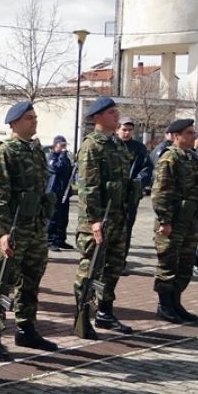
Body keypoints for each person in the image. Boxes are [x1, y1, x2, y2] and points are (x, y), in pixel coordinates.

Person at [0, 101, 57, 361]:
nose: (34, 121)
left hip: (35, 228)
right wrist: (2, 232)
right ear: (14, 124)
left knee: (31, 281)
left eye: (35, 117)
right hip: (14, 229)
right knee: (1, 283)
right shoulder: (6, 153)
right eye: (28, 118)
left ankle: (26, 329)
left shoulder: (36, 151)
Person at [73, 97, 134, 337]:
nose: (116, 115)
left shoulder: (117, 144)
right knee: (90, 269)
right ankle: (82, 315)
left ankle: (105, 313)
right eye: (111, 112)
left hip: (117, 217)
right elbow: (88, 187)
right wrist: (94, 220)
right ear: (98, 117)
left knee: (113, 267)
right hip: (98, 220)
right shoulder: (92, 146)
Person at [152, 119, 198, 323]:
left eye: (193, 133)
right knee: (168, 264)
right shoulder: (169, 159)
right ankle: (164, 305)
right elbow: (160, 193)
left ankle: (176, 303)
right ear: (177, 137)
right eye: (189, 133)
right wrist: (165, 221)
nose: (194, 136)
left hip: (189, 221)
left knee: (185, 263)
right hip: (172, 223)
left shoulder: (191, 158)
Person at [116, 116, 152, 266]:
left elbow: (147, 168)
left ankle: (121, 261)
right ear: (118, 129)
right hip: (113, 195)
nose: (127, 132)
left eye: (130, 130)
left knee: (126, 229)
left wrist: (137, 182)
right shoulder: (110, 145)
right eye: (124, 129)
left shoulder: (139, 148)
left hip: (130, 196)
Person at [46, 135, 74, 251]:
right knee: (54, 217)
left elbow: (69, 171)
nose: (63, 147)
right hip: (54, 192)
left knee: (63, 217)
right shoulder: (52, 157)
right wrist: (62, 155)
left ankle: (60, 239)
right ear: (55, 145)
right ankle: (50, 241)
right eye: (61, 145)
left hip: (64, 192)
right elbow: (57, 168)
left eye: (64, 145)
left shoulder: (65, 157)